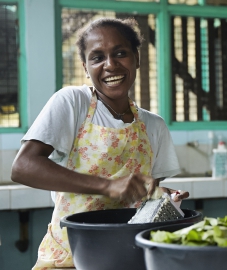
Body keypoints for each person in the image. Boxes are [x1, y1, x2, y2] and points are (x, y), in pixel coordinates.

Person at [11, 17, 189, 269]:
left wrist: (162, 199)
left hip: (127, 256)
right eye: (97, 57)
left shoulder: (154, 126)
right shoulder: (73, 102)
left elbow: (142, 200)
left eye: (120, 53)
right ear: (85, 67)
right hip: (70, 256)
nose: (110, 65)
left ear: (137, 58)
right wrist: (108, 186)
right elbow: (23, 167)